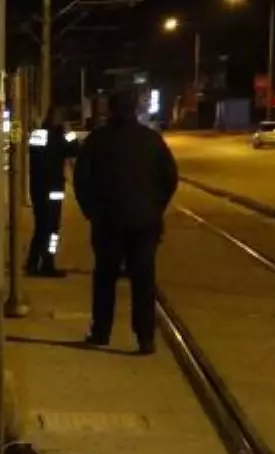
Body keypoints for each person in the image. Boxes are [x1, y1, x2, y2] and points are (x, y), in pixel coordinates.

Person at [73, 89, 179, 355]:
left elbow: (81, 179)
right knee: (143, 280)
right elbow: (170, 178)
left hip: (107, 221)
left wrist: (91, 211)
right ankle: (145, 338)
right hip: (144, 222)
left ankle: (101, 331)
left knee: (105, 279)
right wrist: (156, 208)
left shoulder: (97, 140)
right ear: (134, 110)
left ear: (110, 109)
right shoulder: (151, 140)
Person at [26, 107, 79, 277]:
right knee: (50, 228)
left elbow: (72, 150)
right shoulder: (57, 136)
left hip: (40, 188)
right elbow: (74, 150)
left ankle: (34, 263)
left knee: (42, 227)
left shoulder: (39, 134)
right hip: (52, 187)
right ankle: (46, 263)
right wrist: (68, 133)